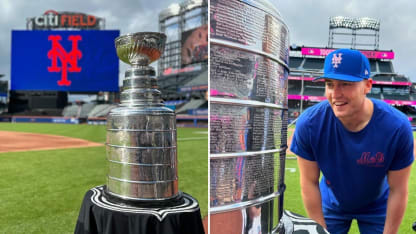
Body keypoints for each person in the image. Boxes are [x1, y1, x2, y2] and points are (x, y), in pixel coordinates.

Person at [290, 48, 414, 234]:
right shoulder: (310, 124)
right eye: (330, 84)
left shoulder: (396, 127)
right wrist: (319, 231)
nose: (335, 93)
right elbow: (309, 182)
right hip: (331, 202)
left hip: (378, 204)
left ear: (368, 85)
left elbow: (398, 189)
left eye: (346, 84)